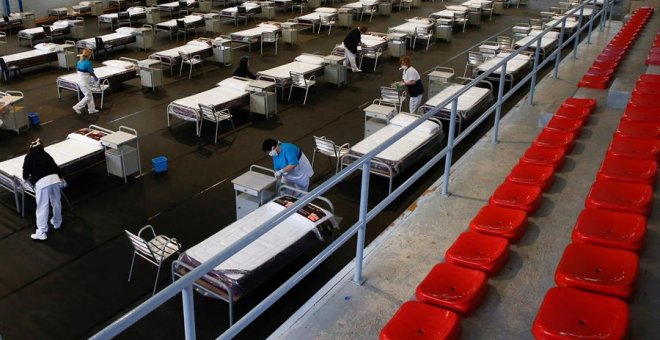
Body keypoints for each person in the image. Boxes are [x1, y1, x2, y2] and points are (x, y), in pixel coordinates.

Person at [22, 139, 65, 241]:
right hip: (55, 179)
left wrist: (28, 179)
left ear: (30, 148)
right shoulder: (46, 154)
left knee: (42, 206)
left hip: (42, 182)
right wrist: (61, 178)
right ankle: (57, 222)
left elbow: (25, 174)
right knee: (56, 202)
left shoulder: (29, 156)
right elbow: (56, 167)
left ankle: (41, 232)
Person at [73, 48, 99, 115]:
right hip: (84, 82)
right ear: (89, 55)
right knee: (88, 96)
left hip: (80, 81)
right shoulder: (88, 63)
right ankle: (77, 107)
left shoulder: (79, 62)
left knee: (89, 95)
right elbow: (91, 73)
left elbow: (78, 71)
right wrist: (95, 78)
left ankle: (91, 110)